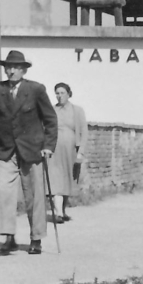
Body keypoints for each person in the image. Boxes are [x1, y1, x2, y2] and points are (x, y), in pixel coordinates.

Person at [0, 51, 57, 255]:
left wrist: (48, 146)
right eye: (8, 67)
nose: (11, 71)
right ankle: (9, 238)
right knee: (4, 194)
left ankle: (36, 239)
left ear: (24, 70)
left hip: (32, 150)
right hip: (6, 150)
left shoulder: (35, 89)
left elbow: (50, 120)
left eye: (16, 67)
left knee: (33, 195)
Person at [51, 83, 87, 222]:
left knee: (68, 179)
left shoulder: (77, 110)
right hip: (54, 150)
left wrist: (81, 152)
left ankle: (63, 210)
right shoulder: (52, 110)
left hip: (71, 150)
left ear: (69, 94)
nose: (59, 96)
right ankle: (58, 212)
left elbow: (84, 132)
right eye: (57, 93)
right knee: (56, 178)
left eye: (62, 93)